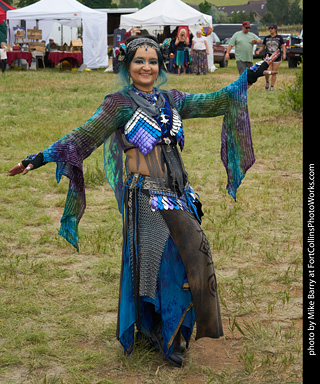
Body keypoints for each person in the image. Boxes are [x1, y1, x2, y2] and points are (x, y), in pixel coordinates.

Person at [8, 35, 280, 368]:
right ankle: (165, 334)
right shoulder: (119, 104)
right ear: (127, 65)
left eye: (152, 61)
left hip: (180, 192)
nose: (146, 67)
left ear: (160, 66)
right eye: (139, 61)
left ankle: (174, 327)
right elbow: (84, 135)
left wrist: (251, 75)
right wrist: (38, 158)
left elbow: (215, 100)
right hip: (147, 195)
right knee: (159, 265)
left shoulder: (172, 99)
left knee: (193, 258)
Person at [256, 25, 286, 91]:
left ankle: (272, 86)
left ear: (275, 29)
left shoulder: (279, 38)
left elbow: (283, 46)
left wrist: (284, 54)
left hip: (276, 56)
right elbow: (263, 46)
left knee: (274, 72)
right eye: (269, 28)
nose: (270, 29)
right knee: (267, 71)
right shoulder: (266, 38)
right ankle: (267, 82)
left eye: (272, 28)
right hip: (268, 56)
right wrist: (259, 51)